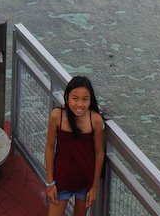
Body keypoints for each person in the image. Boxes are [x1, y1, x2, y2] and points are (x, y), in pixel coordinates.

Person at [44, 75, 105, 214]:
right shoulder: (57, 115)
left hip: (85, 181)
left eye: (85, 99)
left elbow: (99, 153)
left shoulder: (95, 120)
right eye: (74, 98)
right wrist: (50, 183)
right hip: (61, 179)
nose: (79, 104)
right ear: (66, 98)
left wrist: (94, 187)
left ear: (90, 100)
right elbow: (49, 147)